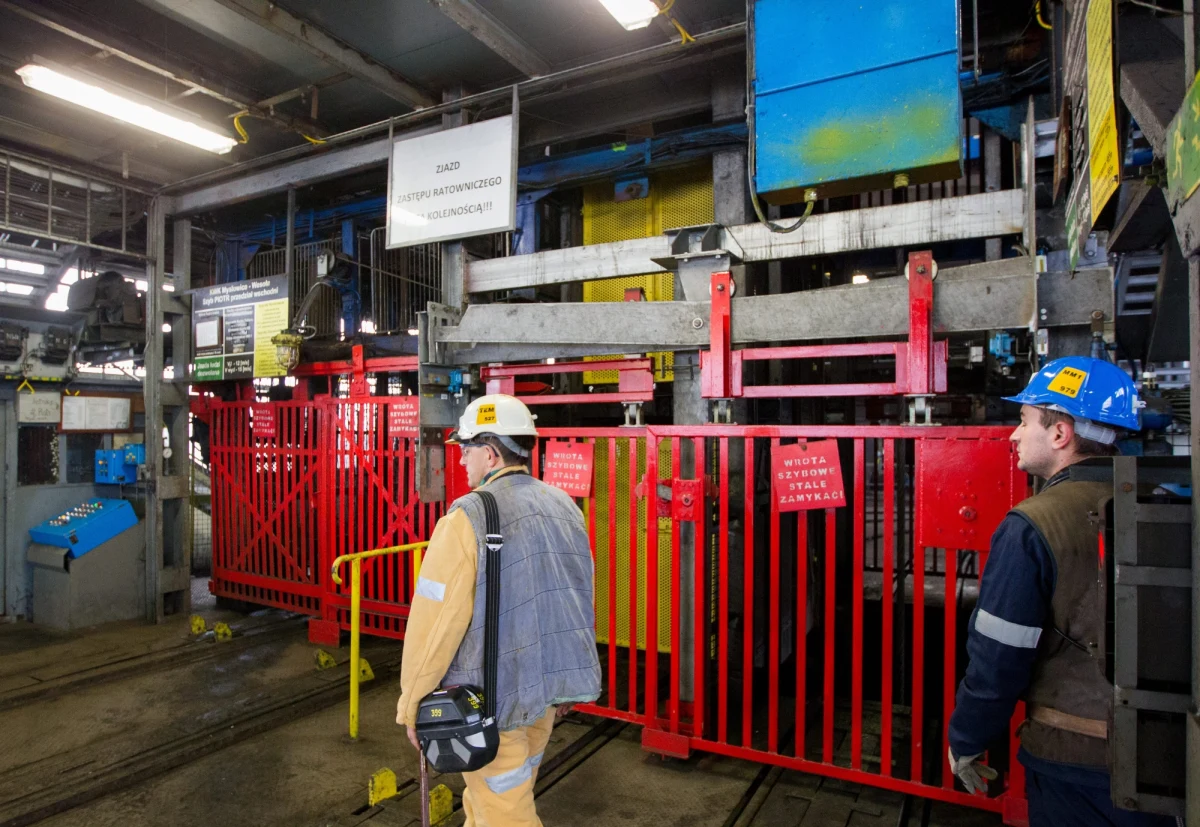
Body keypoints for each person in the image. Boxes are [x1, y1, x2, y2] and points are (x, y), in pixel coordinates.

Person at [947, 356, 1178, 826]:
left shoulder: (1032, 525)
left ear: (1060, 433)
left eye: (1023, 420)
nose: (1013, 434)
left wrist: (968, 738)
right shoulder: (1165, 504)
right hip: (1165, 757)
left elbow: (998, 657)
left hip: (1074, 765)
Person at [396, 394, 601, 827]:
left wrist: (412, 702)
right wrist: (570, 682)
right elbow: (577, 596)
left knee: (505, 815)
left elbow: (435, 624)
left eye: (466, 451)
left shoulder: (466, 517)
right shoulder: (565, 506)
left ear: (489, 453)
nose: (461, 462)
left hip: (493, 705)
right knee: (493, 803)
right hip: (545, 698)